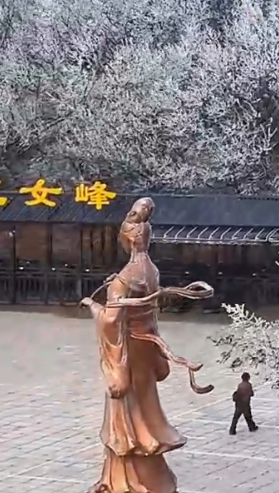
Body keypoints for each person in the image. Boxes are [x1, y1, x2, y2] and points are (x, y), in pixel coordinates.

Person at [78, 196, 215, 493]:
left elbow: (112, 320)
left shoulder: (124, 280)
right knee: (145, 405)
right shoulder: (151, 271)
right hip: (145, 346)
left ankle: (126, 482)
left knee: (127, 414)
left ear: (126, 241)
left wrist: (92, 306)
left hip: (128, 350)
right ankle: (145, 475)